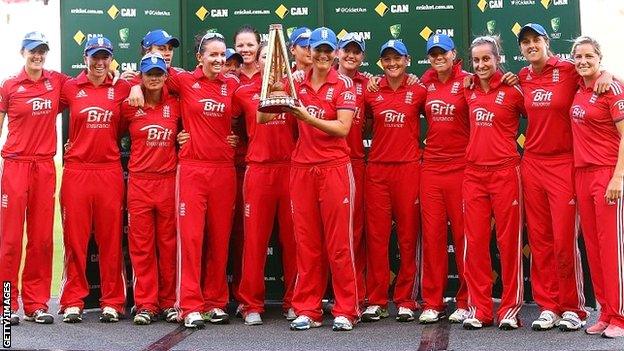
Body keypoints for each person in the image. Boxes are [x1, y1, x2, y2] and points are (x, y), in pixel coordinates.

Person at [259, 27, 358, 332]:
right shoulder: (296, 82)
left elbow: (342, 128)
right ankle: (308, 309)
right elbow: (263, 118)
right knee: (307, 244)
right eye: (318, 50)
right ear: (308, 51)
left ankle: (346, 309)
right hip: (302, 169)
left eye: (329, 50)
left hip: (334, 168)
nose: (324, 55)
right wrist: (274, 92)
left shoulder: (343, 83)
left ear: (336, 53)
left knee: (339, 244)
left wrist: (305, 117)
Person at [516, 23, 594, 331]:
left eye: (536, 39)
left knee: (564, 239)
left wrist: (603, 76)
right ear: (521, 48)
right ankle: (548, 306)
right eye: (525, 42)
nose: (531, 45)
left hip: (563, 163)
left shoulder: (569, 68)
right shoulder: (522, 76)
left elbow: (595, 74)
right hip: (532, 163)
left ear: (547, 42)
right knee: (540, 239)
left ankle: (572, 307)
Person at [168, 32, 239, 329]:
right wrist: (130, 81)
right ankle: (189, 304)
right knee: (192, 238)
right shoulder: (184, 81)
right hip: (193, 169)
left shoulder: (232, 84)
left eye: (222, 55)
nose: (219, 60)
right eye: (212, 54)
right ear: (199, 57)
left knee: (220, 239)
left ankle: (215, 302)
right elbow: (149, 77)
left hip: (224, 169)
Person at [59, 36, 131, 324]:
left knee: (111, 239)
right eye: (94, 57)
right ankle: (73, 300)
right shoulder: (70, 87)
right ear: (85, 57)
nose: (100, 62)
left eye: (105, 57)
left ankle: (113, 301)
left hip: (109, 170)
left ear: (111, 58)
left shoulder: (123, 87)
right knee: (75, 239)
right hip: (77, 170)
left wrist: (134, 83)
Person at [0, 31, 69, 325]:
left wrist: (120, 77)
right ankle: (6, 304)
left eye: (42, 51)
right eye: (33, 51)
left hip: (44, 167)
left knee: (41, 239)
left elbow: (90, 82)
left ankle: (36, 304)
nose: (37, 56)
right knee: (10, 240)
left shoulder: (57, 82)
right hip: (15, 166)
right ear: (22, 52)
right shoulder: (9, 86)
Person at [462, 36, 525, 330]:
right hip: (474, 174)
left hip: (505, 172)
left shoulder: (514, 89)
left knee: (508, 243)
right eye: (476, 60)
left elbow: (542, 115)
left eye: (486, 59)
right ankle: (480, 309)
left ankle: (510, 309)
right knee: (474, 243)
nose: (481, 65)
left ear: (497, 59)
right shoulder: (468, 89)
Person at [361, 40, 426, 323]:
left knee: (408, 237)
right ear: (380, 63)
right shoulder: (370, 90)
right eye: (386, 59)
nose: (392, 64)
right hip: (377, 171)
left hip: (409, 170)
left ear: (408, 60)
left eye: (397, 58)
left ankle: (406, 299)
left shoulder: (419, 89)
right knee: (376, 239)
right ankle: (376, 299)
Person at [235, 42, 298, 325]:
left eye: (275, 59)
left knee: (294, 240)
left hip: (289, 170)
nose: (270, 63)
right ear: (258, 62)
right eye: (265, 57)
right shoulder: (242, 92)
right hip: (258, 170)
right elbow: (226, 126)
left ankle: (295, 301)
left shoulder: (295, 90)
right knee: (255, 241)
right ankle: (251, 304)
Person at [570, 35, 624, 339]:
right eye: (578, 57)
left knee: (611, 248)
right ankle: (606, 312)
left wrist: (619, 177)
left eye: (589, 56)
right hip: (582, 175)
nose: (583, 62)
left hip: (607, 175)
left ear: (599, 58)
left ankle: (621, 315)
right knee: (593, 247)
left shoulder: (611, 87)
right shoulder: (578, 87)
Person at [120, 53, 180, 325]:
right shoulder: (130, 105)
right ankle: (145, 304)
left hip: (168, 180)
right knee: (142, 247)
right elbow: (111, 133)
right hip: (140, 182)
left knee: (168, 246)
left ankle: (169, 303)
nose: (154, 77)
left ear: (166, 75)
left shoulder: (176, 104)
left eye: (159, 73)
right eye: (149, 73)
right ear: (141, 77)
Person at [418, 34, 470, 324]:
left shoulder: (468, 81)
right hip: (432, 169)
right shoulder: (425, 83)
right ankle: (433, 302)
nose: (439, 58)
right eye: (433, 54)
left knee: (464, 237)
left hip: (462, 167)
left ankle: (465, 300)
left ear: (454, 54)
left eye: (443, 53)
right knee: (434, 237)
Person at [336, 32, 368, 311]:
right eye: (346, 50)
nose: (351, 55)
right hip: (320, 164)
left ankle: (354, 294)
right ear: (337, 53)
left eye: (356, 52)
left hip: (355, 163)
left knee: (352, 233)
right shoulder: (314, 79)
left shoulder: (368, 84)